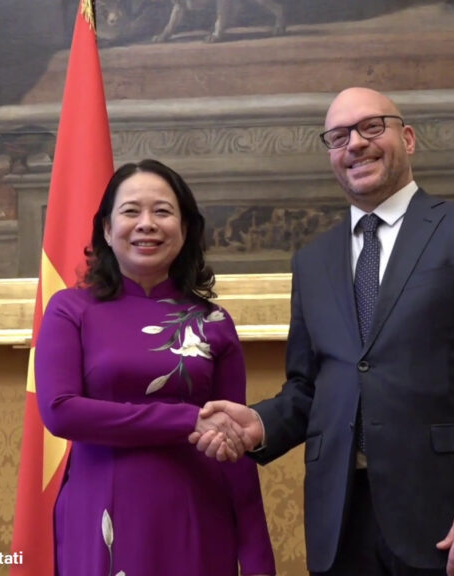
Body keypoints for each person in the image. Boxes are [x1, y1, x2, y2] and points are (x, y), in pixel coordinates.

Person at [192, 87, 454, 576]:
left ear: (408, 138)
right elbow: (309, 388)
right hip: (342, 524)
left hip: (450, 521)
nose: (355, 144)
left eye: (371, 127)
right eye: (339, 136)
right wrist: (260, 423)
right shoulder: (313, 261)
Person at [35, 159, 275, 576]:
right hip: (100, 512)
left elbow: (232, 446)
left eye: (162, 211)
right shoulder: (70, 309)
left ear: (185, 229)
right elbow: (60, 411)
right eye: (131, 211)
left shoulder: (213, 322)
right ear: (107, 229)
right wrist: (186, 419)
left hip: (196, 515)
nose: (147, 224)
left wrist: (258, 561)